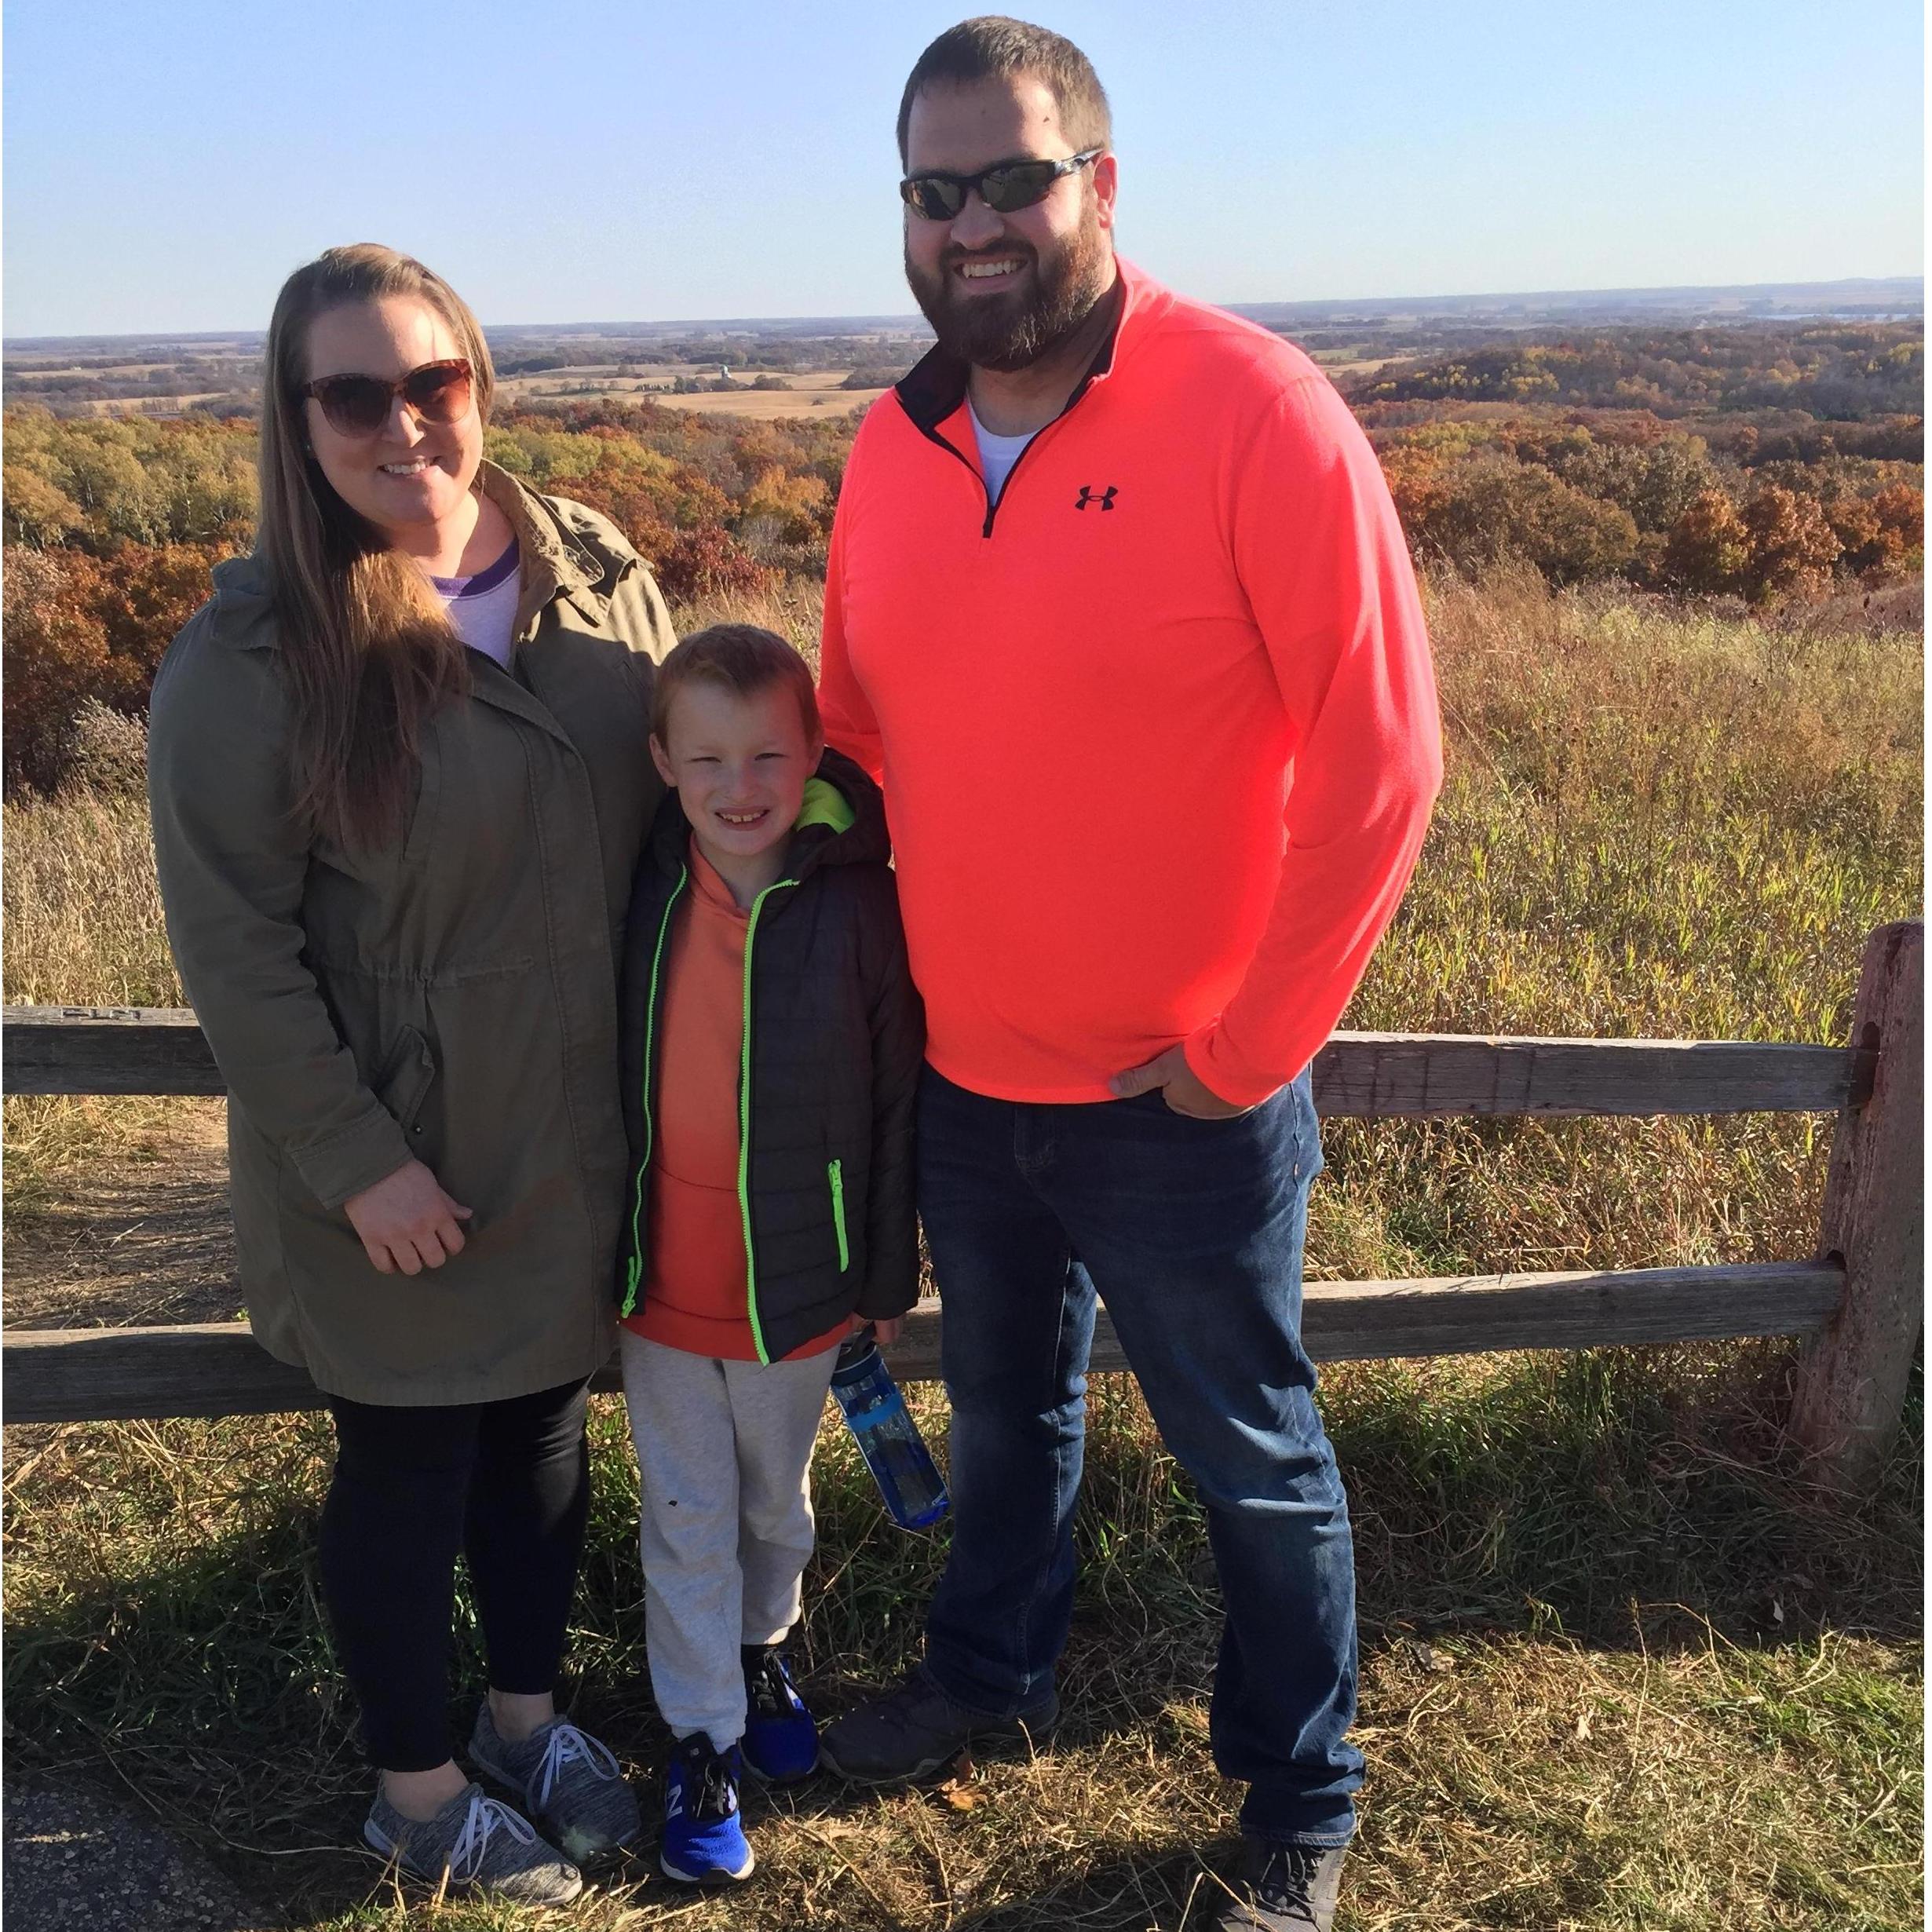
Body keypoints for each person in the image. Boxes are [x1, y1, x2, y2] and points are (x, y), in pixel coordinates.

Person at [813, 20, 1444, 1931]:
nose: (974, 223)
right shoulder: (894, 443)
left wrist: (1247, 1047)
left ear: (1097, 182)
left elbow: (1380, 760)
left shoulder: (1252, 409)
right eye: (936, 190)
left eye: (1013, 179)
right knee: (1010, 1416)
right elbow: (858, 734)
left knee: (1252, 1456)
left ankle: (1299, 1797)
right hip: (969, 1078)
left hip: (1179, 1093)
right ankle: (985, 1677)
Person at [147, 244, 677, 1906]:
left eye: (431, 382)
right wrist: (356, 1159)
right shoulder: (255, 657)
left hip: (577, 1128)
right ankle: (418, 1793)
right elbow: (234, 947)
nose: (403, 426)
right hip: (394, 1155)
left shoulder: (596, 578)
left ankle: (527, 1727)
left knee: (541, 1432)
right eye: (353, 395)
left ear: (479, 382)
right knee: (410, 1464)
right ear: (296, 419)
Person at [613, 625, 924, 1884]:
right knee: (686, 1515)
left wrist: (885, 1272)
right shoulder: (639, 885)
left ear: (814, 755)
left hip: (803, 1279)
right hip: (658, 1284)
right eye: (706, 760)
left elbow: (896, 1095)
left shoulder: (859, 905)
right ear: (662, 763)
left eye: (766, 757)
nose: (737, 787)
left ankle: (763, 1648)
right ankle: (702, 1742)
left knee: (771, 1505)